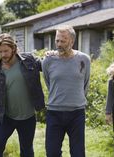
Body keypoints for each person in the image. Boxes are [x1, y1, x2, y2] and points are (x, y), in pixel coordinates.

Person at [0, 33, 45, 157]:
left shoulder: (29, 60)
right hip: (5, 117)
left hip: (28, 117)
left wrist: (53, 55)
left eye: (6, 51)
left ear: (13, 48)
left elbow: (47, 66)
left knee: (27, 151)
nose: (3, 55)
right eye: (0, 52)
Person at [42, 25, 91, 157]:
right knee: (52, 152)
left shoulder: (84, 59)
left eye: (63, 41)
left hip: (77, 113)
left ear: (72, 41)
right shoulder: (48, 60)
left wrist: (76, 100)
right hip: (54, 112)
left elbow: (85, 84)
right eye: (57, 40)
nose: (59, 44)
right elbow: (49, 83)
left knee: (78, 153)